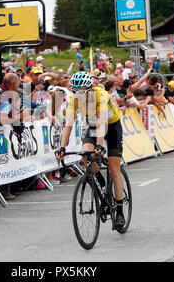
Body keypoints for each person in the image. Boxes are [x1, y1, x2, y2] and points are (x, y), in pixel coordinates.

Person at [56, 71, 126, 230]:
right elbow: (68, 125)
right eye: (75, 91)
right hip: (94, 125)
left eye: (81, 92)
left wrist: (100, 146)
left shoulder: (100, 95)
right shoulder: (73, 100)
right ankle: (99, 180)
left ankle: (120, 211)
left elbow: (102, 122)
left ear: (89, 89)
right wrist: (62, 147)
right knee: (86, 154)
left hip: (112, 126)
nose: (78, 95)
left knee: (114, 170)